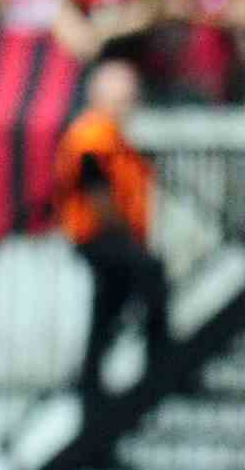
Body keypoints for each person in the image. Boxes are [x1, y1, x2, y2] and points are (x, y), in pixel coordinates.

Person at [55, 59, 168, 416]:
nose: (127, 107)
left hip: (111, 234)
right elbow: (96, 189)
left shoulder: (111, 135)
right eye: (121, 99)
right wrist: (126, 233)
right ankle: (161, 358)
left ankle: (92, 397)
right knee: (150, 274)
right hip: (100, 235)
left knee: (105, 316)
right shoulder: (92, 134)